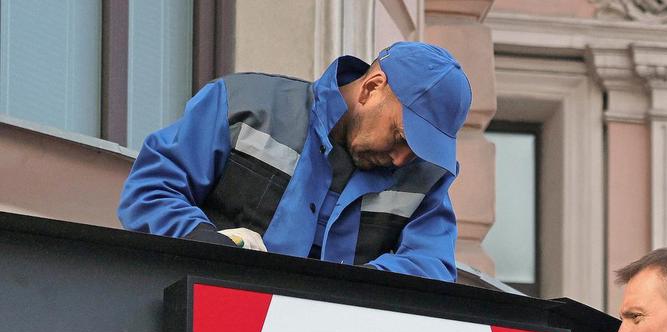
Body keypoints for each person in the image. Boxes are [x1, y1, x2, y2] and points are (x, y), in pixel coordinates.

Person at [118, 41, 470, 281]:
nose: (401, 158)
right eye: (401, 136)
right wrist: (208, 243)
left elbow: (431, 266)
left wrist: (359, 290)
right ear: (371, 88)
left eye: (422, 150)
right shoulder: (243, 106)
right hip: (208, 328)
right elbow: (150, 191)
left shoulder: (426, 177)